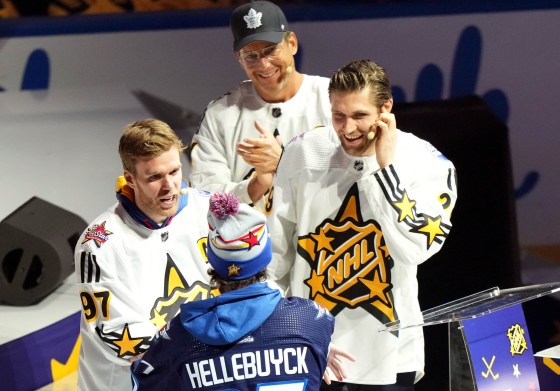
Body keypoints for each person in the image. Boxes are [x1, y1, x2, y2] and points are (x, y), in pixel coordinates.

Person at [267, 59, 458, 390]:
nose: (347, 128)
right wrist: (289, 330)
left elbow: (417, 248)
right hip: (308, 347)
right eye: (338, 115)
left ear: (386, 108)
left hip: (389, 356)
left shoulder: (425, 162)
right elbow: (275, 255)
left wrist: (384, 172)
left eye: (359, 116)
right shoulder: (302, 152)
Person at [131, 192, 336, 390]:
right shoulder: (312, 320)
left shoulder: (177, 337)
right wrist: (318, 347)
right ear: (265, 256)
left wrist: (143, 364)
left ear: (212, 260)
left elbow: (146, 382)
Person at [74, 119, 214, 391]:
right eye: (154, 177)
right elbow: (116, 331)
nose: (170, 186)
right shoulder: (99, 244)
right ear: (130, 178)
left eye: (174, 171)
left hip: (195, 375)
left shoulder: (208, 210)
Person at [189, 0, 332, 212]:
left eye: (271, 50)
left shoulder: (332, 99)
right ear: (239, 58)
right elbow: (205, 198)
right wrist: (258, 184)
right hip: (249, 243)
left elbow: (358, 175)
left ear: (292, 43)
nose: (264, 64)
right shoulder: (220, 114)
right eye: (251, 56)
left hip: (322, 240)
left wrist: (284, 163)